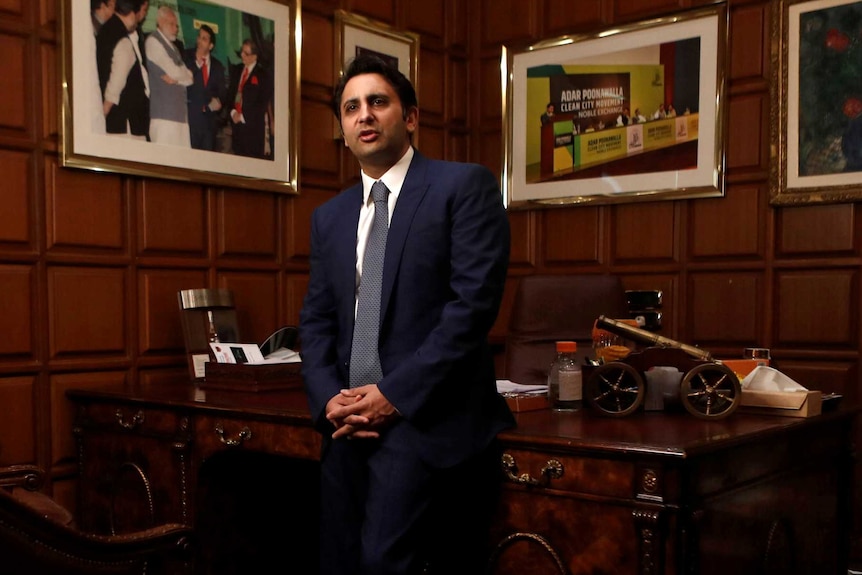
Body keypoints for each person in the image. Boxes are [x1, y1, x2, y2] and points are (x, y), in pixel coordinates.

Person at [298, 53, 514, 575]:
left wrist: (392, 397)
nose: (364, 115)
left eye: (378, 102)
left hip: (425, 420)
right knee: (339, 559)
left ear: (410, 117)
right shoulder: (329, 218)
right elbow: (317, 321)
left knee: (383, 563)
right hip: (348, 423)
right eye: (351, 108)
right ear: (343, 130)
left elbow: (471, 310)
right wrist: (330, 399)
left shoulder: (462, 188)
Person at [96, 0, 149, 140]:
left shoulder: (106, 30)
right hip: (124, 122)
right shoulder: (121, 37)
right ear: (132, 13)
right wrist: (104, 111)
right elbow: (117, 80)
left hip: (116, 120)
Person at [144, 5, 193, 146]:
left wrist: (177, 81)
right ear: (160, 22)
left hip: (180, 118)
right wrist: (182, 75)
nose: (175, 28)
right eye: (171, 24)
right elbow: (175, 71)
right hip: (164, 118)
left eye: (176, 25)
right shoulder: (153, 42)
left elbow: (190, 78)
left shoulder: (175, 48)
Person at [184, 24, 226, 151]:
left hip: (209, 125)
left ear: (211, 46)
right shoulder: (186, 57)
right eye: (199, 37)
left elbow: (223, 94)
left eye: (204, 39)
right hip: (189, 121)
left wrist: (218, 102)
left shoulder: (218, 66)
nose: (200, 41)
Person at [227, 39, 272, 158]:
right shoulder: (236, 70)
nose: (242, 55)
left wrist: (243, 116)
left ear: (254, 56)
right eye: (242, 51)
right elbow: (230, 95)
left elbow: (262, 103)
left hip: (253, 131)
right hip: (237, 128)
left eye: (246, 53)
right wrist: (233, 113)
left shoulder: (263, 75)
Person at [88, 0, 115, 135]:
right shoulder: (91, 28)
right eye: (112, 6)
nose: (114, 12)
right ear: (103, 6)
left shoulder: (104, 28)